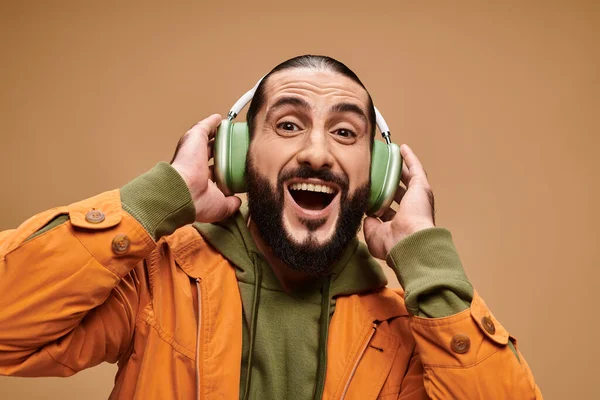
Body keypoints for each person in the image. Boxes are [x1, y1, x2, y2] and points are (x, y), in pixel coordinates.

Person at [0, 55, 542, 399]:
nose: (316, 152)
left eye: (346, 133)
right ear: (237, 158)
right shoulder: (156, 283)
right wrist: (156, 201)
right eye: (288, 125)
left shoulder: (409, 329)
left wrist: (427, 261)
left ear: (378, 178)